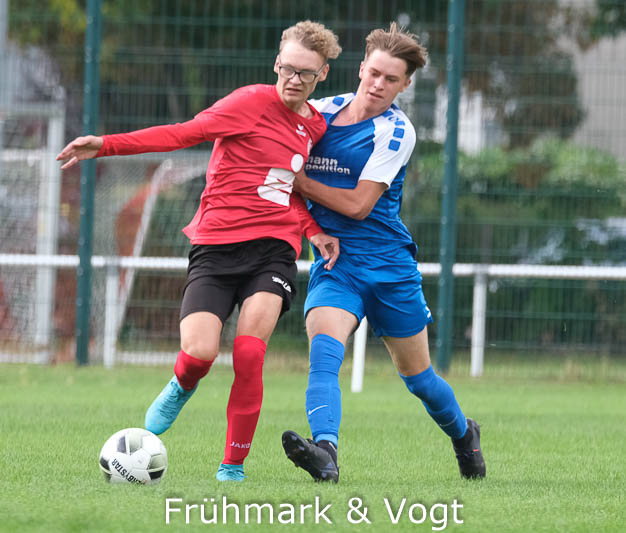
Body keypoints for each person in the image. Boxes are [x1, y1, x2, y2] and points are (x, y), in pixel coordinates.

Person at [57, 21, 342, 482]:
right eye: (288, 68)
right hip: (216, 247)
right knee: (200, 354)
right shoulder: (248, 103)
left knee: (249, 354)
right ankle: (182, 382)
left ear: (322, 74)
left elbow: (286, 186)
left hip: (273, 251)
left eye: (305, 73)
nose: (294, 79)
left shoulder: (314, 125)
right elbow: (181, 134)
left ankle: (232, 467)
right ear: (276, 63)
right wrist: (106, 145)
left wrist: (312, 230)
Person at [281, 23, 486, 483]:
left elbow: (358, 205)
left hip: (390, 267)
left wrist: (300, 181)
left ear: (404, 85)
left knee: (419, 379)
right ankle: (325, 453)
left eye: (390, 79)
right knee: (324, 354)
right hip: (336, 264)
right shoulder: (319, 113)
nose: (378, 84)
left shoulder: (396, 132)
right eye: (374, 73)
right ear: (360, 69)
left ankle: (464, 435)